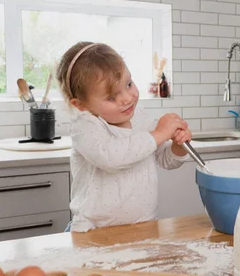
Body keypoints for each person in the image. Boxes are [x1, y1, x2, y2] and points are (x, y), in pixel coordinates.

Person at [56, 42, 191, 232]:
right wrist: (159, 134)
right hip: (93, 230)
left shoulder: (140, 116)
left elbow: (165, 159)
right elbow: (111, 157)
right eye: (111, 97)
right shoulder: (85, 126)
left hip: (143, 224)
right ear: (81, 105)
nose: (127, 98)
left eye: (129, 84)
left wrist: (178, 146)